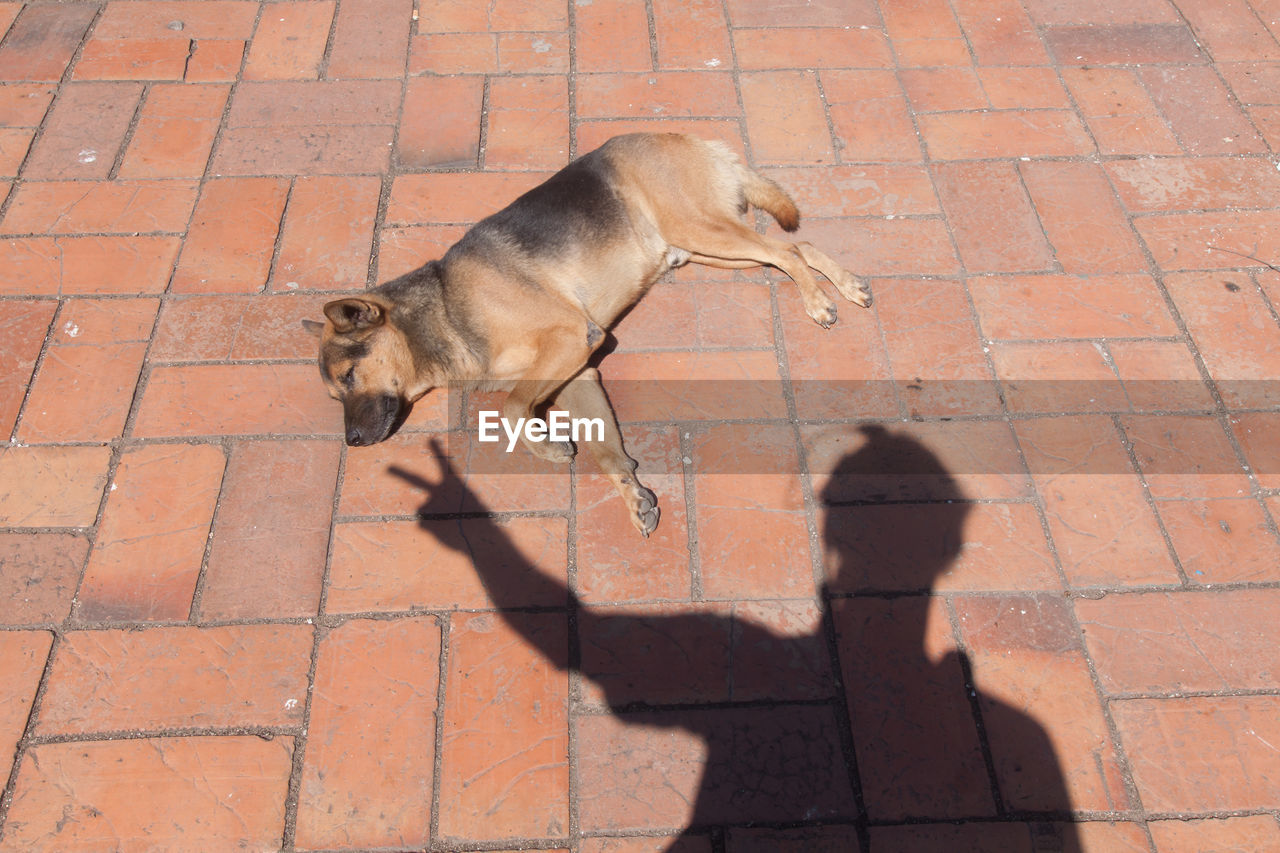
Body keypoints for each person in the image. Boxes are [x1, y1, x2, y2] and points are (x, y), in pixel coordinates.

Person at [397, 425, 1078, 850]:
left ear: (829, 538)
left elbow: (573, 639)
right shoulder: (1021, 736)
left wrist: (475, 534)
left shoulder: (741, 652)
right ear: (951, 551)